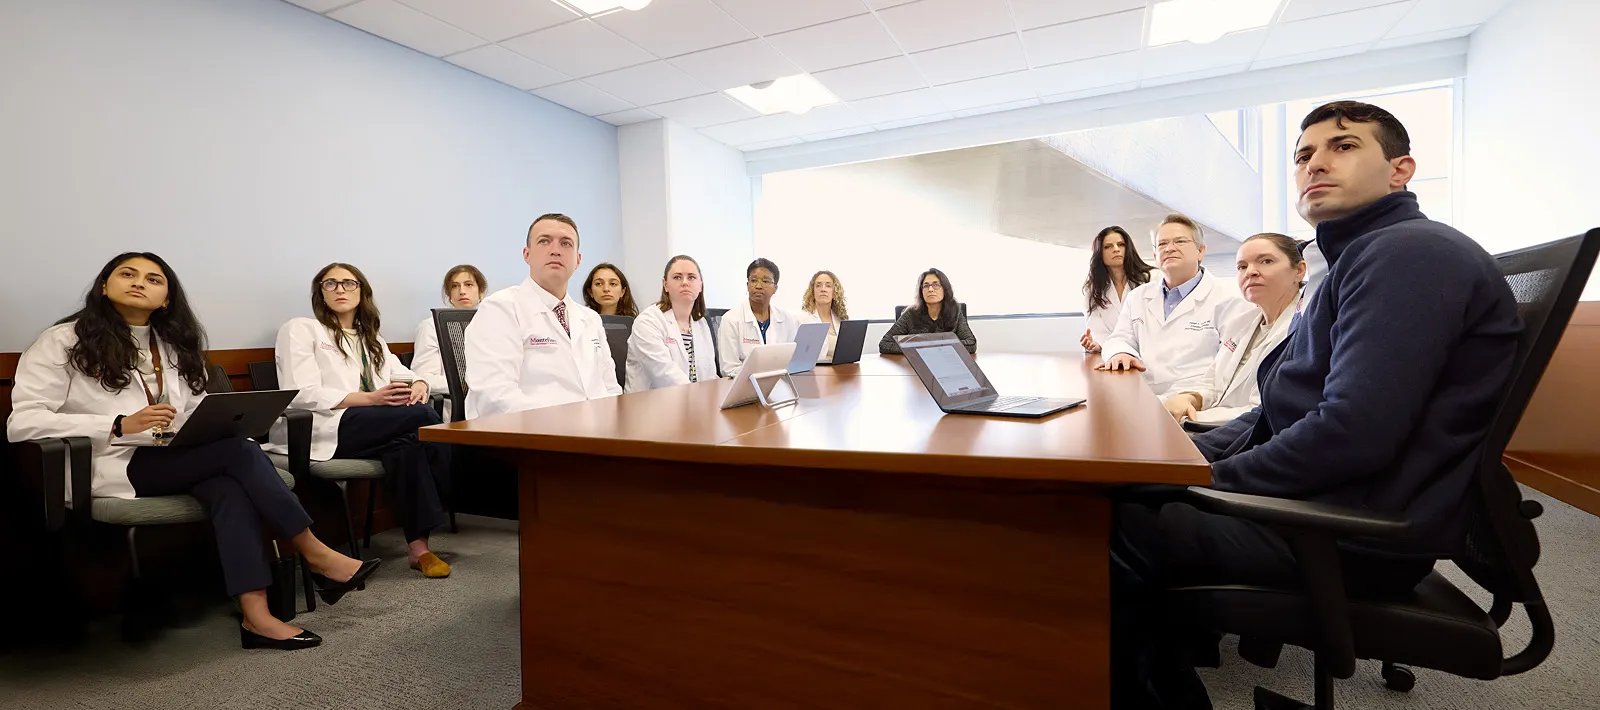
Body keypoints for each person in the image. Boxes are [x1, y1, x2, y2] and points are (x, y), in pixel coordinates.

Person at [1110, 101, 1521, 707]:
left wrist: (1204, 477)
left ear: (1401, 170)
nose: (1315, 163)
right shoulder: (1359, 260)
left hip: (1348, 535)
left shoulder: (1405, 255)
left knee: (1096, 521)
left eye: (1345, 146)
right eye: (1304, 154)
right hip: (1327, 509)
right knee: (1118, 488)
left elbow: (1352, 432)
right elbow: (1274, 415)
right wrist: (1178, 456)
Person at [7, 253, 379, 650]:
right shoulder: (63, 341)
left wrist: (209, 423)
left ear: (166, 299)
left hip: (171, 454)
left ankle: (257, 617)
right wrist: (116, 424)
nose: (139, 282)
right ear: (104, 286)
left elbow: (188, 411)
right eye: (127, 274)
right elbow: (23, 422)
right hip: (109, 462)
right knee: (238, 454)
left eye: (154, 279)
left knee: (230, 487)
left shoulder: (171, 345)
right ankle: (315, 552)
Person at [271, 263, 454, 579]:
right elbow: (300, 392)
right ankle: (450, 495)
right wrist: (370, 398)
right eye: (331, 284)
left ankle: (419, 549)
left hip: (377, 426)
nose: (340, 289)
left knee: (409, 444)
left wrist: (421, 384)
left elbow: (406, 375)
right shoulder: (301, 328)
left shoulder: (372, 338)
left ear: (362, 292)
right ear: (320, 292)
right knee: (423, 416)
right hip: (328, 425)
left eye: (348, 283)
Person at [465, 214, 622, 418]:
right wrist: (568, 425)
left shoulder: (590, 318)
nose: (555, 250)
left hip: (597, 433)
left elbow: (610, 388)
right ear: (527, 254)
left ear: (578, 260)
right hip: (528, 437)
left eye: (566, 243)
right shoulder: (500, 309)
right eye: (544, 241)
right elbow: (495, 397)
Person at [1095, 214, 1247, 400]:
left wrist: (1195, 399)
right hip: (1142, 397)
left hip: (1195, 405)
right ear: (1155, 256)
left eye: (1180, 241)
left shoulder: (1228, 298)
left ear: (1200, 251)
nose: (1169, 248)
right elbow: (1119, 337)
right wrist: (1120, 352)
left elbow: (1229, 368)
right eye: (1162, 244)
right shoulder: (1138, 297)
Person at [1162, 233, 1304, 424]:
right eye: (1242, 266)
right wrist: (1189, 398)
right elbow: (1212, 383)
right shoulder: (1240, 322)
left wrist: (1190, 418)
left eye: (1266, 261)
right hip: (1211, 425)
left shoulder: (1303, 330)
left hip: (1253, 438)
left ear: (1299, 270)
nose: (1251, 272)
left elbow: (1263, 410)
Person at [626, 255, 717, 391]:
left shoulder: (701, 323)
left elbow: (709, 374)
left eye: (691, 277)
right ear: (665, 285)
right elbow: (664, 375)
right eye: (677, 277)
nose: (685, 282)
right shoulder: (648, 321)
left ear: (700, 285)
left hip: (693, 403)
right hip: (651, 405)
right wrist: (699, 398)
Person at [410, 264, 485, 418]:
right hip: (452, 407)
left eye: (469, 285)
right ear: (449, 295)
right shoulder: (431, 326)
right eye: (455, 286)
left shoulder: (493, 323)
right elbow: (423, 376)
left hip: (492, 403)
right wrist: (471, 385)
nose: (462, 291)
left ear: (480, 292)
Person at [717, 258, 802, 375]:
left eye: (765, 281)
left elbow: (793, 360)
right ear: (747, 285)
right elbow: (729, 369)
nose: (758, 286)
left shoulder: (786, 319)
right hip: (743, 388)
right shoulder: (731, 320)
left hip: (779, 383)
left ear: (775, 288)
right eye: (753, 280)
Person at [1080, 226, 1154, 353]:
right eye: (1108, 246)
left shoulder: (1152, 278)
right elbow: (1097, 329)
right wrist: (1099, 345)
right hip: (1114, 356)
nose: (1116, 249)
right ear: (1099, 253)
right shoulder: (1092, 289)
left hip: (1150, 354)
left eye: (1121, 245)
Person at [878, 268, 976, 355]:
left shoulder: (955, 312)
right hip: (916, 367)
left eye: (936, 285)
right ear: (921, 291)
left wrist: (929, 345)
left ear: (945, 289)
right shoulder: (911, 314)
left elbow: (971, 344)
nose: (930, 289)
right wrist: (924, 348)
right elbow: (884, 344)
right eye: (925, 286)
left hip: (947, 364)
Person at [797, 270, 850, 363]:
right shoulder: (801, 319)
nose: (823, 289)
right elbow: (799, 356)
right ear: (812, 292)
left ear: (834, 292)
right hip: (814, 372)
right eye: (818, 285)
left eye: (828, 285)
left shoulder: (841, 319)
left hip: (840, 370)